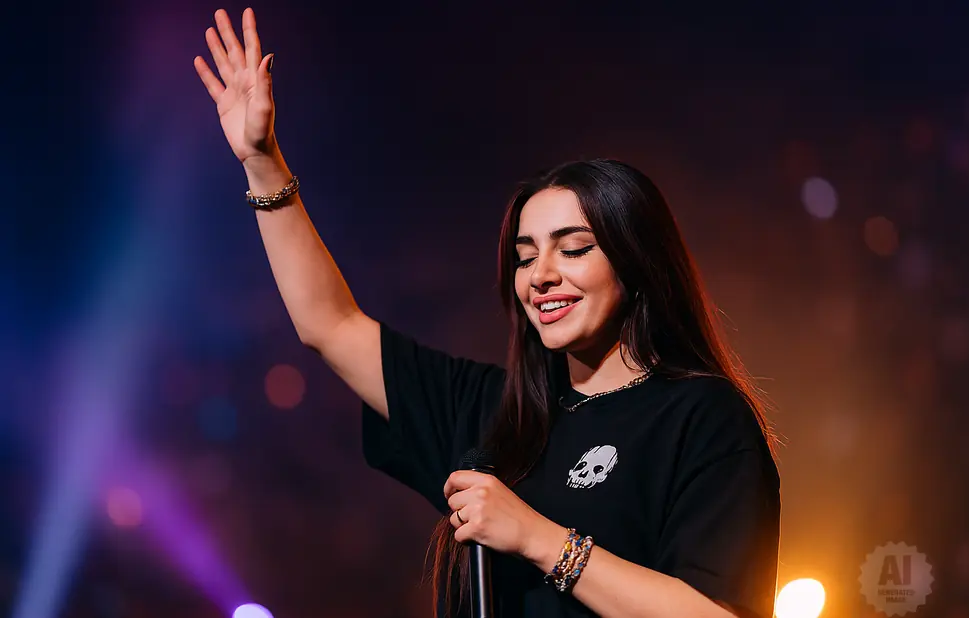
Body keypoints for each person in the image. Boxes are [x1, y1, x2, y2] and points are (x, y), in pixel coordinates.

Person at [195, 8, 781, 618]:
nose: (542, 275)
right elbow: (331, 325)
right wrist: (261, 160)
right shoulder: (495, 415)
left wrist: (537, 538)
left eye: (574, 249)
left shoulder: (703, 417)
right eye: (526, 259)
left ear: (637, 264)